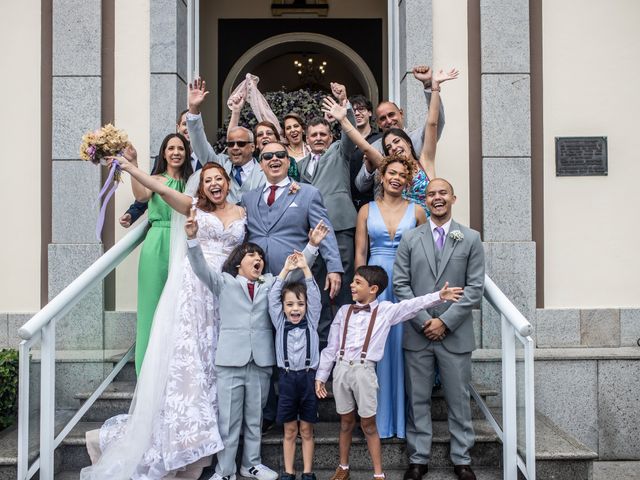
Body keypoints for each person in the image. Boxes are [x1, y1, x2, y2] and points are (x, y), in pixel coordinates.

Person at [81, 160, 244, 479]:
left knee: (213, 358)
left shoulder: (242, 212)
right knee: (190, 359)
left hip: (223, 291)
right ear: (201, 186)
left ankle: (211, 436)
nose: (214, 183)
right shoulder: (192, 205)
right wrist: (129, 167)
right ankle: (186, 437)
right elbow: (157, 187)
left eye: (219, 178)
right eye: (208, 179)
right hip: (193, 288)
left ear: (227, 182)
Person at [186, 223, 328, 480]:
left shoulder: (272, 283)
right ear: (238, 262)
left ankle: (251, 464)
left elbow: (296, 272)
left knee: (255, 418)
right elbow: (199, 267)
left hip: (261, 360)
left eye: (260, 256)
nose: (258, 259)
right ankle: (225, 470)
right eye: (252, 255)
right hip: (230, 360)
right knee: (228, 421)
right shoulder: (224, 281)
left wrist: (313, 246)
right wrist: (193, 238)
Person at [315, 266, 463, 480]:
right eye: (353, 282)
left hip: (364, 371)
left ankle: (378, 473)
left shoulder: (385, 311)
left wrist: (439, 296)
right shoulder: (344, 311)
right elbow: (331, 347)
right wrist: (321, 376)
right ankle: (343, 467)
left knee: (368, 424)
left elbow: (412, 305)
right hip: (341, 370)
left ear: (373, 288)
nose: (352, 286)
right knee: (346, 422)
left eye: (357, 282)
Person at [393, 178, 485, 480]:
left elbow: (474, 288)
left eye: (442, 193)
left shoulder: (470, 238)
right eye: (431, 194)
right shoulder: (410, 239)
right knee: (417, 398)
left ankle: (462, 458)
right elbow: (401, 286)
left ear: (453, 198)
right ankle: (418, 458)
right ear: (426, 201)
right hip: (418, 334)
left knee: (458, 399)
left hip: (454, 333)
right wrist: (424, 321)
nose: (437, 198)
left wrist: (444, 321)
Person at [354, 155, 427, 439]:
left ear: (407, 181)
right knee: (377, 348)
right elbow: (360, 253)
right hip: (375, 284)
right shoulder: (366, 211)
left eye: (402, 174)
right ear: (381, 177)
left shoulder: (418, 211)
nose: (396, 178)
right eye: (391, 173)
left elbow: (424, 256)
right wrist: (360, 289)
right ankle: (377, 421)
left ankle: (401, 422)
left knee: (402, 348)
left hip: (406, 283)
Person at [323, 67, 458, 213]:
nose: (394, 147)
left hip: (428, 226)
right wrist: (343, 120)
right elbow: (365, 146)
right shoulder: (388, 168)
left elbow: (432, 123)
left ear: (408, 142)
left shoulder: (425, 159)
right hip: (400, 228)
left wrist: (434, 87)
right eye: (388, 147)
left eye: (397, 141)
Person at [128, 133, 193, 374]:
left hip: (185, 242)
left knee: (181, 307)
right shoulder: (154, 179)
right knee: (151, 307)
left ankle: (176, 371)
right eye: (171, 148)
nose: (176, 152)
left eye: (180, 148)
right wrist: (133, 165)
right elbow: (141, 196)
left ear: (186, 153)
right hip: (157, 242)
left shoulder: (193, 182)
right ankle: (146, 371)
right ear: (164, 153)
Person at [268, 251, 322, 480]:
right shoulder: (280, 322)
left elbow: (316, 297)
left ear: (306, 306)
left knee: (307, 430)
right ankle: (288, 473)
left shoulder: (311, 320)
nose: (295, 308)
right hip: (288, 380)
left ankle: (308, 473)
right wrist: (286, 270)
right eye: (289, 304)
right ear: (282, 307)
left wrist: (306, 269)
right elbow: (272, 297)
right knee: (290, 430)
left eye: (300, 304)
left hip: (308, 379)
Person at [119, 110, 202, 228]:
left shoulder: (208, 161)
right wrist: (132, 213)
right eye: (185, 124)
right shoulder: (159, 172)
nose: (176, 153)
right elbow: (148, 191)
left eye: (181, 149)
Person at [347, 95, 379, 211]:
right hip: (348, 203)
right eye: (353, 110)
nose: (356, 113)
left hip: (373, 200)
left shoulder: (379, 139)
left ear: (370, 113)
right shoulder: (344, 143)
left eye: (361, 109)